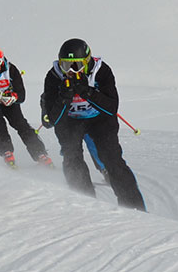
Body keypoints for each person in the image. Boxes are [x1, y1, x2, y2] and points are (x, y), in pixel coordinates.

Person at [41, 38, 145, 210]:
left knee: (112, 158)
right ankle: (86, 205)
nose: (72, 71)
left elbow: (111, 107)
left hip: (99, 119)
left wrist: (87, 92)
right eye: (66, 65)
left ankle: (134, 207)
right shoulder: (53, 76)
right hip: (70, 120)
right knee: (72, 158)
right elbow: (52, 119)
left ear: (87, 62)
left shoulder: (101, 71)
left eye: (78, 65)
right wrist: (64, 97)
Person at [0, 46, 54, 168]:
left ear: (2, 61)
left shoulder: (11, 69)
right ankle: (6, 151)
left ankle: (40, 153)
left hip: (9, 103)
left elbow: (22, 95)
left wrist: (13, 97)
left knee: (20, 122)